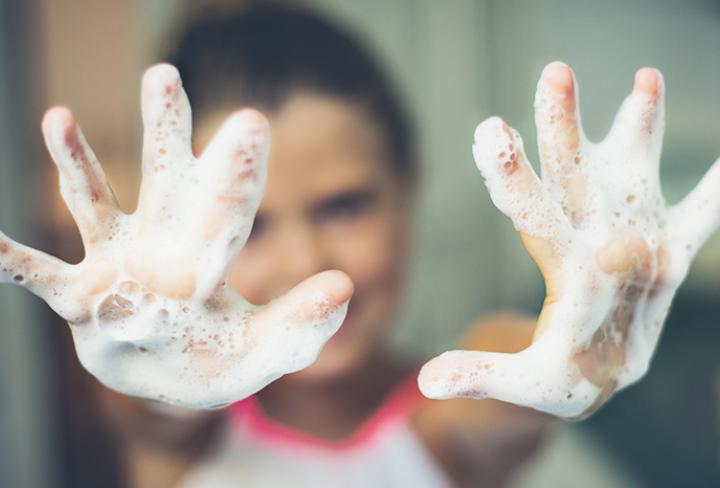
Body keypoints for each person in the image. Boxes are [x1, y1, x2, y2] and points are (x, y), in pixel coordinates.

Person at [91, 4, 552, 487]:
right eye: (247, 227)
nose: (307, 266)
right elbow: (150, 402)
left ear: (409, 190)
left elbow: (506, 374)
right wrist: (159, 351)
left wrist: (560, 348)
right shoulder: (182, 425)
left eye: (344, 207)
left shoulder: (449, 421)